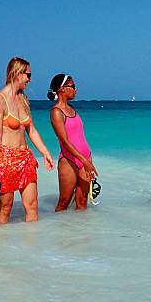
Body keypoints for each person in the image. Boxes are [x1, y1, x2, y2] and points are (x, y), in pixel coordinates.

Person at [0, 57, 54, 224]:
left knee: (32, 205)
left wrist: (45, 153)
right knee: (5, 208)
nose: (30, 80)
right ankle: (0, 246)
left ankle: (31, 247)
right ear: (17, 73)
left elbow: (31, 129)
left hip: (25, 159)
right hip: (5, 160)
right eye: (28, 75)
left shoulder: (23, 99)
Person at [48, 74, 98, 211]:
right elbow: (64, 141)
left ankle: (80, 232)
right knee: (64, 202)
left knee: (82, 202)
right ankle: (61, 231)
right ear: (62, 89)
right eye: (73, 86)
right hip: (69, 160)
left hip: (85, 158)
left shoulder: (72, 109)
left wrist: (87, 160)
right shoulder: (56, 112)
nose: (76, 90)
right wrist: (84, 161)